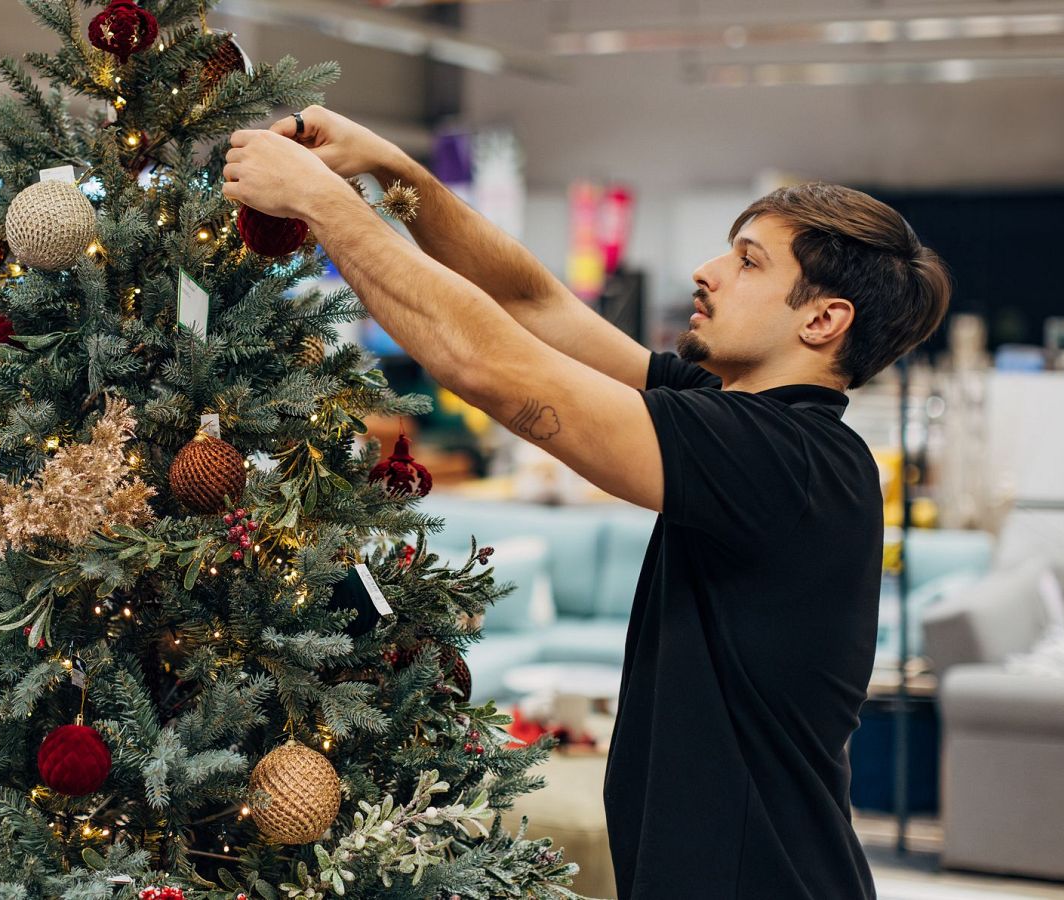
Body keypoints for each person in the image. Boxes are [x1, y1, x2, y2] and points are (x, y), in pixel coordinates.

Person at [222, 106, 950, 899]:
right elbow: (534, 305)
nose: (706, 271)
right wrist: (395, 172)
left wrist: (324, 205)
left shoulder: (786, 460)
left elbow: (497, 367)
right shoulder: (743, 417)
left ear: (822, 319)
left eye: (747, 263)